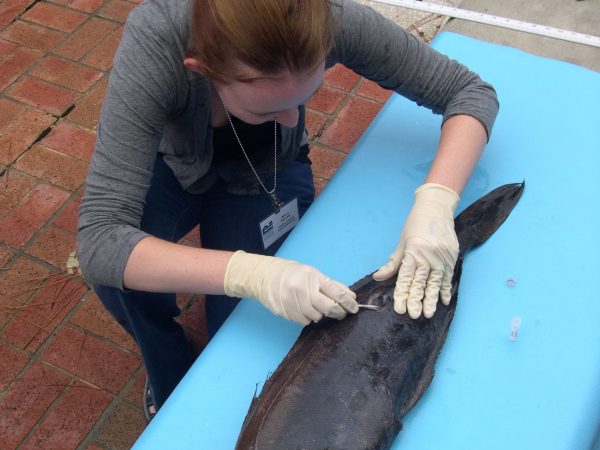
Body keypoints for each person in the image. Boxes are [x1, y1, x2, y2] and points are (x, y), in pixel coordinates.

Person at [77, 0, 498, 419]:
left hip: (267, 172)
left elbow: (468, 92)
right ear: (200, 69)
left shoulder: (327, 19)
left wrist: (437, 199)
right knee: (122, 282)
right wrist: (248, 273)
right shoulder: (157, 37)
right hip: (173, 168)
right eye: (265, 108)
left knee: (244, 331)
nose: (292, 119)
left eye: (307, 95)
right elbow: (99, 240)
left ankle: (210, 344)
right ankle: (169, 364)